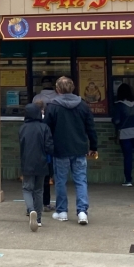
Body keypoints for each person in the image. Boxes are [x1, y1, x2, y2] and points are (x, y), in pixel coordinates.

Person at [44, 76, 98, 225]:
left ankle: (62, 211)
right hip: (80, 148)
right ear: (73, 88)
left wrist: (47, 147)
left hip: (60, 149)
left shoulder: (52, 106)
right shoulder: (83, 105)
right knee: (81, 180)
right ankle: (82, 212)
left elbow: (47, 129)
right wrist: (93, 146)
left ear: (57, 89)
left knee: (60, 181)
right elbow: (91, 128)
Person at [19, 100, 54, 232]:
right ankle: (38, 219)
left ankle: (31, 210)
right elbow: (49, 147)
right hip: (42, 163)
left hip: (27, 162)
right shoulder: (44, 128)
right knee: (39, 190)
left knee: (27, 189)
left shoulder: (22, 128)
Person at [34, 80, 58, 211]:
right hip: (47, 154)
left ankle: (33, 205)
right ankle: (46, 203)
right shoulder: (58, 98)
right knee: (47, 178)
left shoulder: (37, 97)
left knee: (33, 181)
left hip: (33, 155)